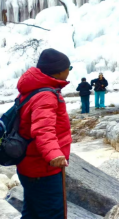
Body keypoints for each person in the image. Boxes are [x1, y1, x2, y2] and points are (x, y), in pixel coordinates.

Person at [17, 48, 72, 219]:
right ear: (57, 71)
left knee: (32, 212)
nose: (69, 72)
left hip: (29, 165)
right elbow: (43, 129)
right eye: (68, 68)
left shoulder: (34, 89)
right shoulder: (46, 95)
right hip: (44, 169)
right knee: (53, 214)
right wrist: (54, 154)